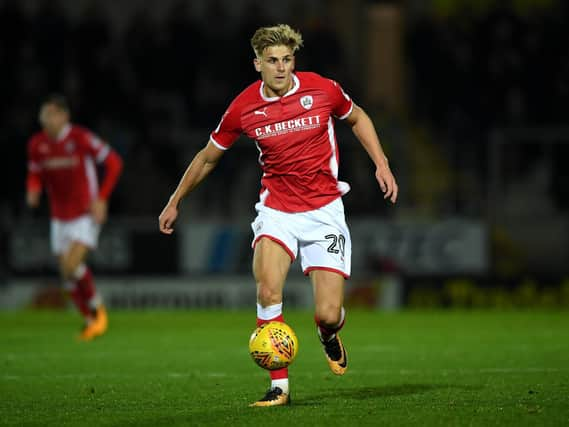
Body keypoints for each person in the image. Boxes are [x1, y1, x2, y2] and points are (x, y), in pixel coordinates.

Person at [158, 24, 398, 406]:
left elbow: (358, 118)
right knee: (268, 290)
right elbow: (207, 158)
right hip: (277, 211)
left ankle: (328, 334)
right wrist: (175, 200)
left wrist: (381, 164)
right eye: (272, 61)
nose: (282, 68)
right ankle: (279, 387)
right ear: (258, 64)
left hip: (324, 212)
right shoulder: (243, 107)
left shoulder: (323, 89)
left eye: (287, 60)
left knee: (328, 313)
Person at [26, 94, 123, 341]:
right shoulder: (37, 144)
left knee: (70, 266)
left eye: (50, 114)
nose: (45, 119)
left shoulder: (80, 138)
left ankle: (98, 309)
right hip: (59, 216)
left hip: (84, 213)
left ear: (63, 116)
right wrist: (33, 189)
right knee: (66, 273)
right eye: (43, 115)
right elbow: (35, 173)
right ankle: (90, 321)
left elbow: (114, 162)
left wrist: (101, 198)